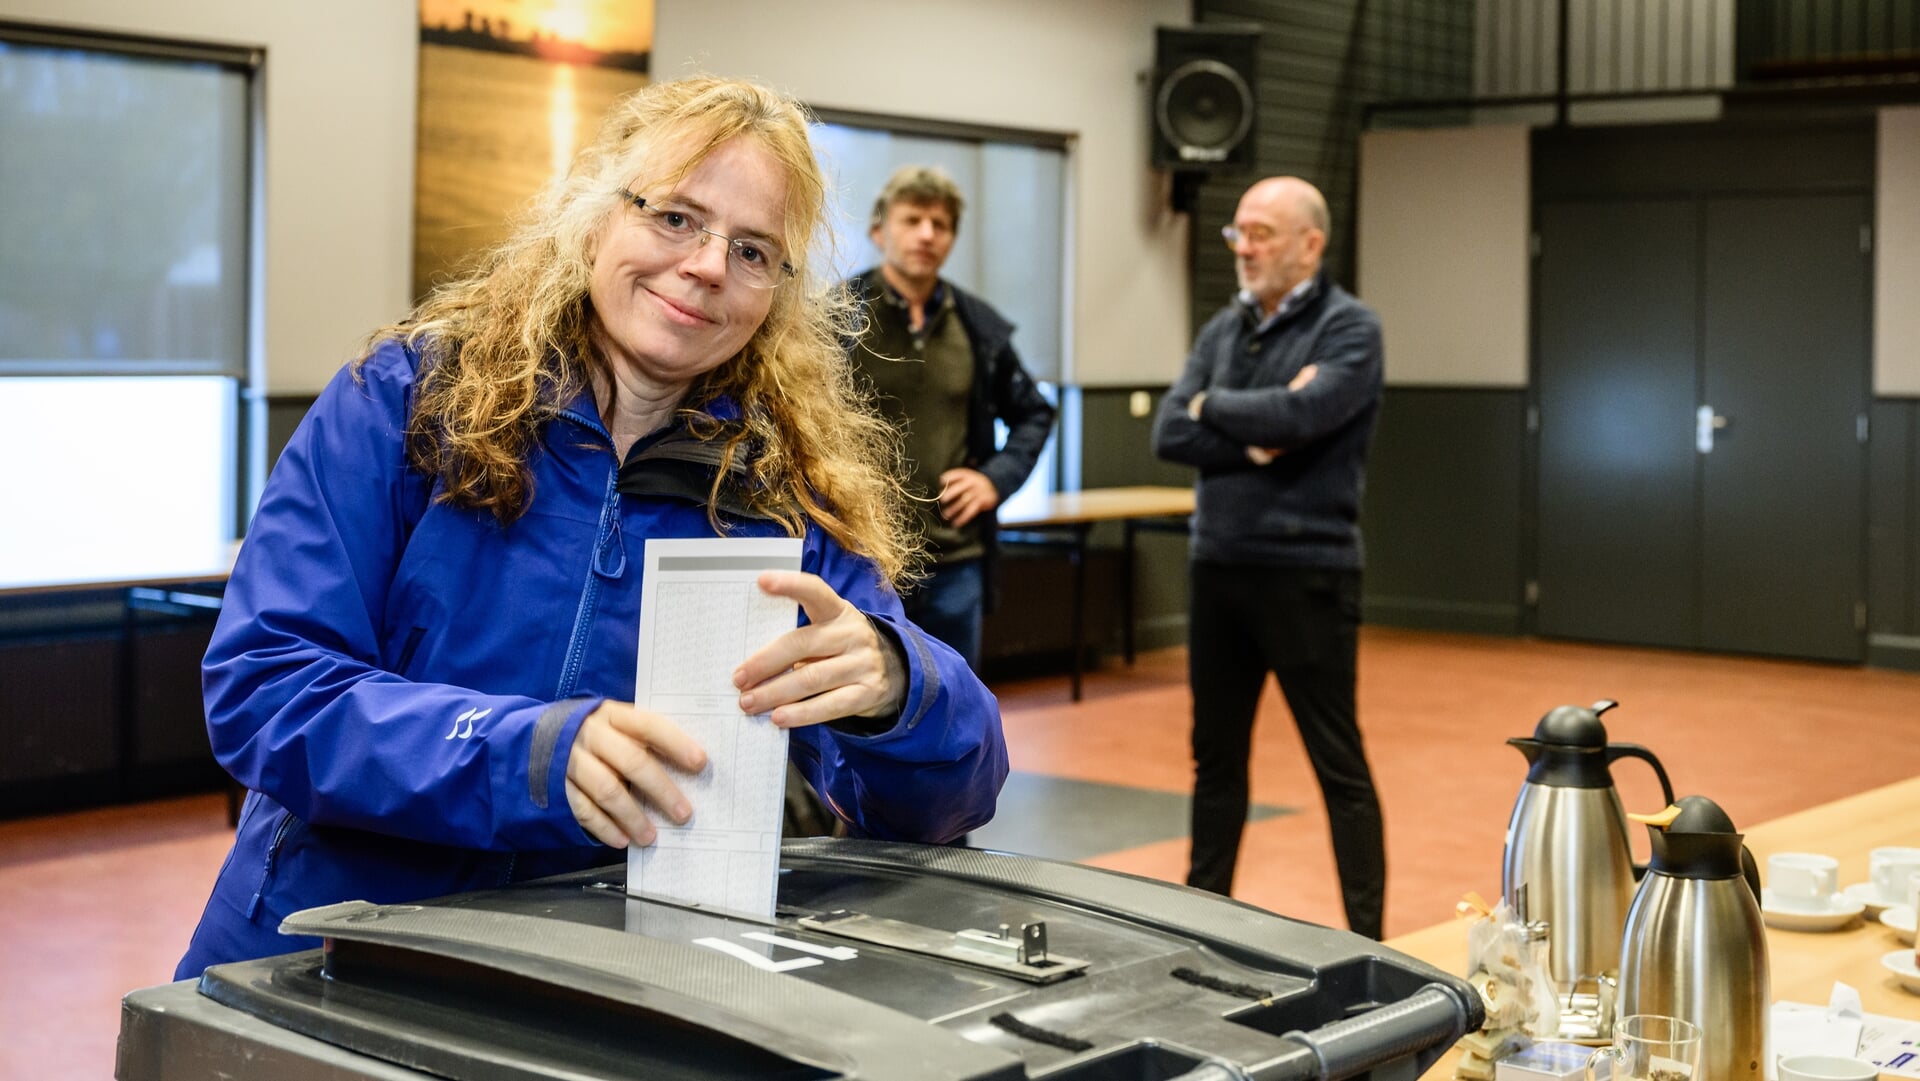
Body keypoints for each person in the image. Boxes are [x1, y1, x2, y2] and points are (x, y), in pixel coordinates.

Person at [175, 77, 1008, 977]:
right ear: (595, 210)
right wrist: (526, 755)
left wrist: (902, 688)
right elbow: (267, 688)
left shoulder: (780, 491)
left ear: (779, 291)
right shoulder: (406, 400)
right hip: (324, 955)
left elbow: (949, 800)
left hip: (584, 991)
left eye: (755, 250)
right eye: (677, 218)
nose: (707, 266)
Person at [1150, 176, 1386, 939]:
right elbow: (1168, 432)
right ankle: (1196, 923)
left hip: (1307, 571)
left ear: (1310, 243)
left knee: (1337, 765)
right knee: (1214, 765)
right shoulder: (1224, 329)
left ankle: (1369, 940)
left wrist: (1210, 404)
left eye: (1261, 233)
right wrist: (1255, 424)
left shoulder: (1351, 328)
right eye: (1237, 233)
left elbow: (1308, 411)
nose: (1243, 248)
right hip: (1219, 564)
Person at [842, 166, 1056, 672]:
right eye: (912, 219)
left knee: (954, 718)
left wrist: (994, 480)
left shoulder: (977, 327)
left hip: (955, 562)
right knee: (857, 722)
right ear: (879, 231)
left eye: (940, 224)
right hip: (861, 559)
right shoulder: (838, 318)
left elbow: (1034, 413)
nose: (926, 234)